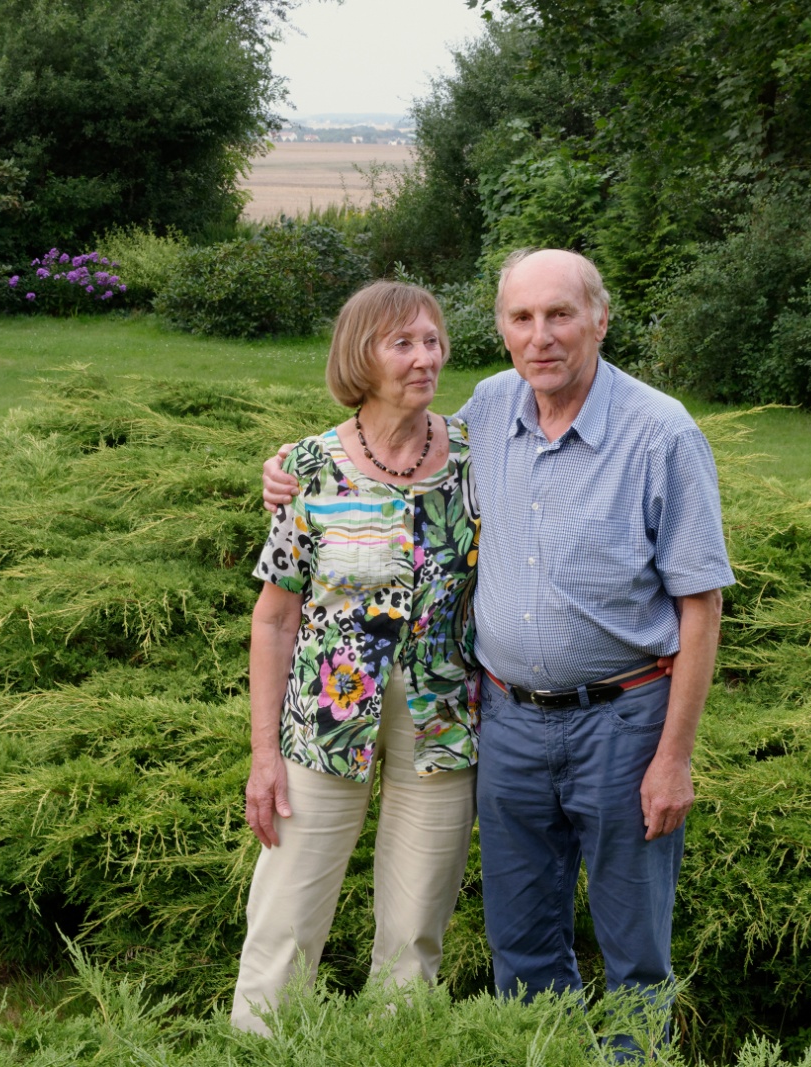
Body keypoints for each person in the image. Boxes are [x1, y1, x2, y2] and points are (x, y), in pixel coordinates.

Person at [262, 249, 732, 1032]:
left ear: (600, 319)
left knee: (633, 947)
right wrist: (290, 466)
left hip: (622, 723)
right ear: (504, 330)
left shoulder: (661, 433)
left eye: (560, 315)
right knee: (522, 941)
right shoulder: (488, 412)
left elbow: (703, 606)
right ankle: (541, 1052)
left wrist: (674, 757)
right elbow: (380, 449)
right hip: (506, 722)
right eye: (521, 318)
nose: (540, 336)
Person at [232, 280, 483, 1035]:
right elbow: (273, 620)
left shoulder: (475, 458)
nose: (425, 357)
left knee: (416, 929)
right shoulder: (308, 466)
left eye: (433, 340)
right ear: (359, 356)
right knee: (286, 917)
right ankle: (260, 1049)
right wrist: (263, 753)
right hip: (327, 716)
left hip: (443, 719)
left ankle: (393, 1048)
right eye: (402, 342)